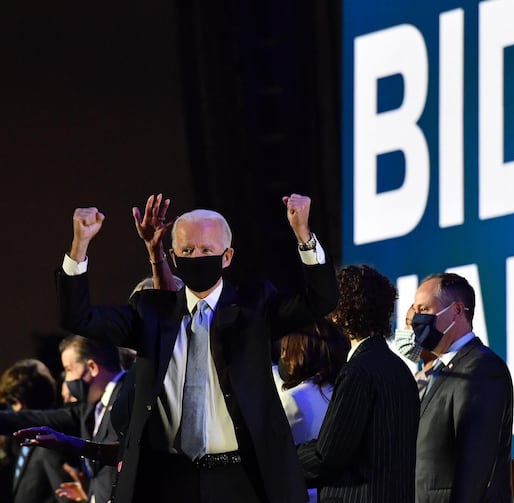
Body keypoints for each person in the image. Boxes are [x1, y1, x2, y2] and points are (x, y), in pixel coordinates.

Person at [55, 193, 338, 503]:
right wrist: (79, 245)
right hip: (168, 479)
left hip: (243, 478)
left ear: (227, 257)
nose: (197, 257)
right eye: (188, 250)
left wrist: (303, 234)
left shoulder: (255, 307)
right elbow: (78, 317)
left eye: (207, 249)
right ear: (174, 257)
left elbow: (321, 300)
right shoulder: (150, 312)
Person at [297, 264, 419, 503]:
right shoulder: (400, 369)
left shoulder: (357, 372)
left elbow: (328, 455)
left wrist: (278, 459)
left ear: (339, 313)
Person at [411, 273, 514, 503]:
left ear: (457, 310)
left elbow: (474, 464)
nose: (417, 319)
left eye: (424, 309)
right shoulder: (438, 370)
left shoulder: (481, 367)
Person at [0, 336, 125, 503]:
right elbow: (33, 418)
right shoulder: (89, 411)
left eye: (68, 369)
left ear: (92, 367)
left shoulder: (128, 397)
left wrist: (68, 443)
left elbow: (125, 454)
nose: (65, 380)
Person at [275, 320, 349, 503]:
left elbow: (274, 458)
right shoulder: (342, 392)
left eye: (286, 348)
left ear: (300, 351)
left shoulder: (293, 399)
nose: (283, 356)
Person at [0, 359, 73, 503]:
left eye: (15, 401)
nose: (17, 408)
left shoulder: (49, 445)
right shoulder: (20, 442)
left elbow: (66, 497)